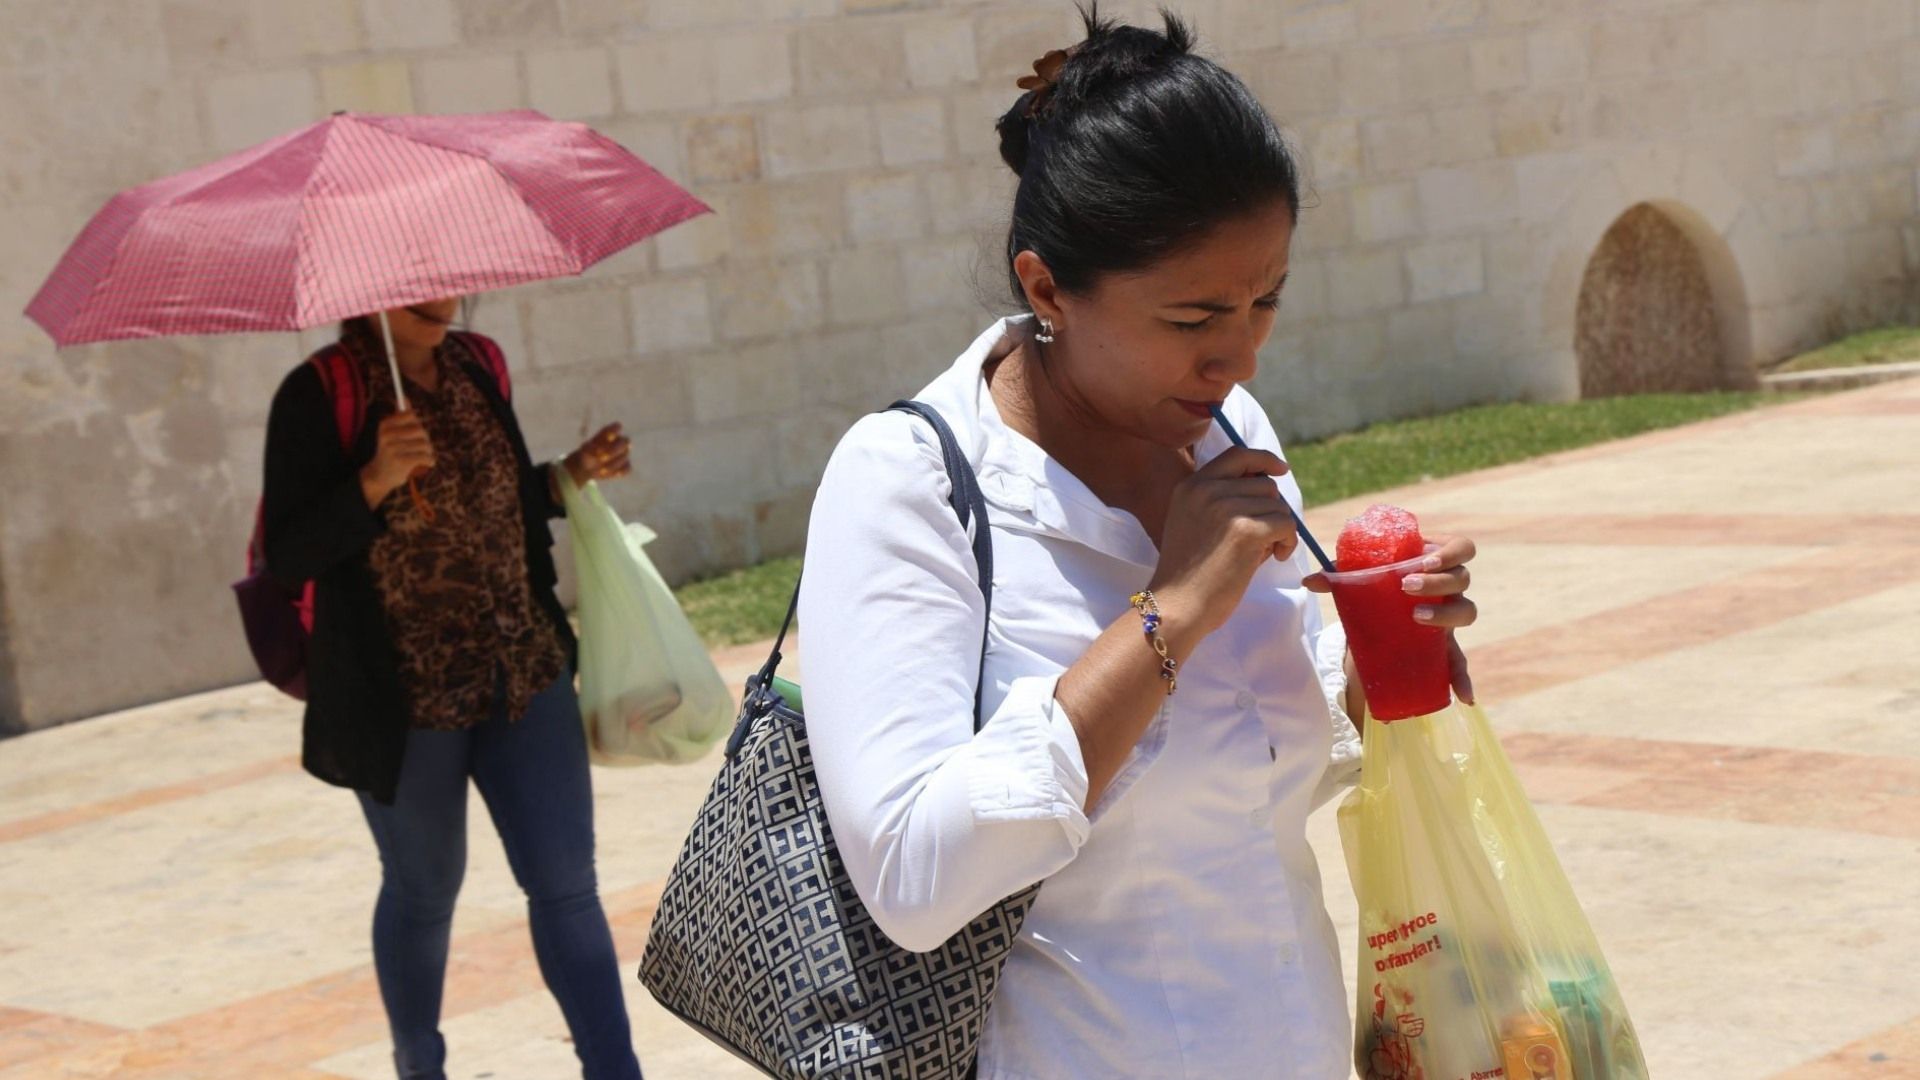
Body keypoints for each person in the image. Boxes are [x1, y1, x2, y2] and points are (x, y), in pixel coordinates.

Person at [797, 8, 1482, 1078]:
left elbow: (1269, 762)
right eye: (1192, 318)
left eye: (1267, 300)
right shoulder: (909, 483)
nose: (1239, 357)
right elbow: (912, 881)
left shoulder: (1227, 432)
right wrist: (1175, 610)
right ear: (1045, 289)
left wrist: (1388, 658)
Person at [261, 297, 643, 1080]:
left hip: (523, 674)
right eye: (418, 287)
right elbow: (288, 556)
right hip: (404, 700)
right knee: (426, 890)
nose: (444, 299)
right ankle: (419, 1064)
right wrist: (373, 479)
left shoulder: (479, 364)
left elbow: (500, 504)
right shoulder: (318, 392)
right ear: (369, 295)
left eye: (448, 283)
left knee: (567, 886)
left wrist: (568, 475)